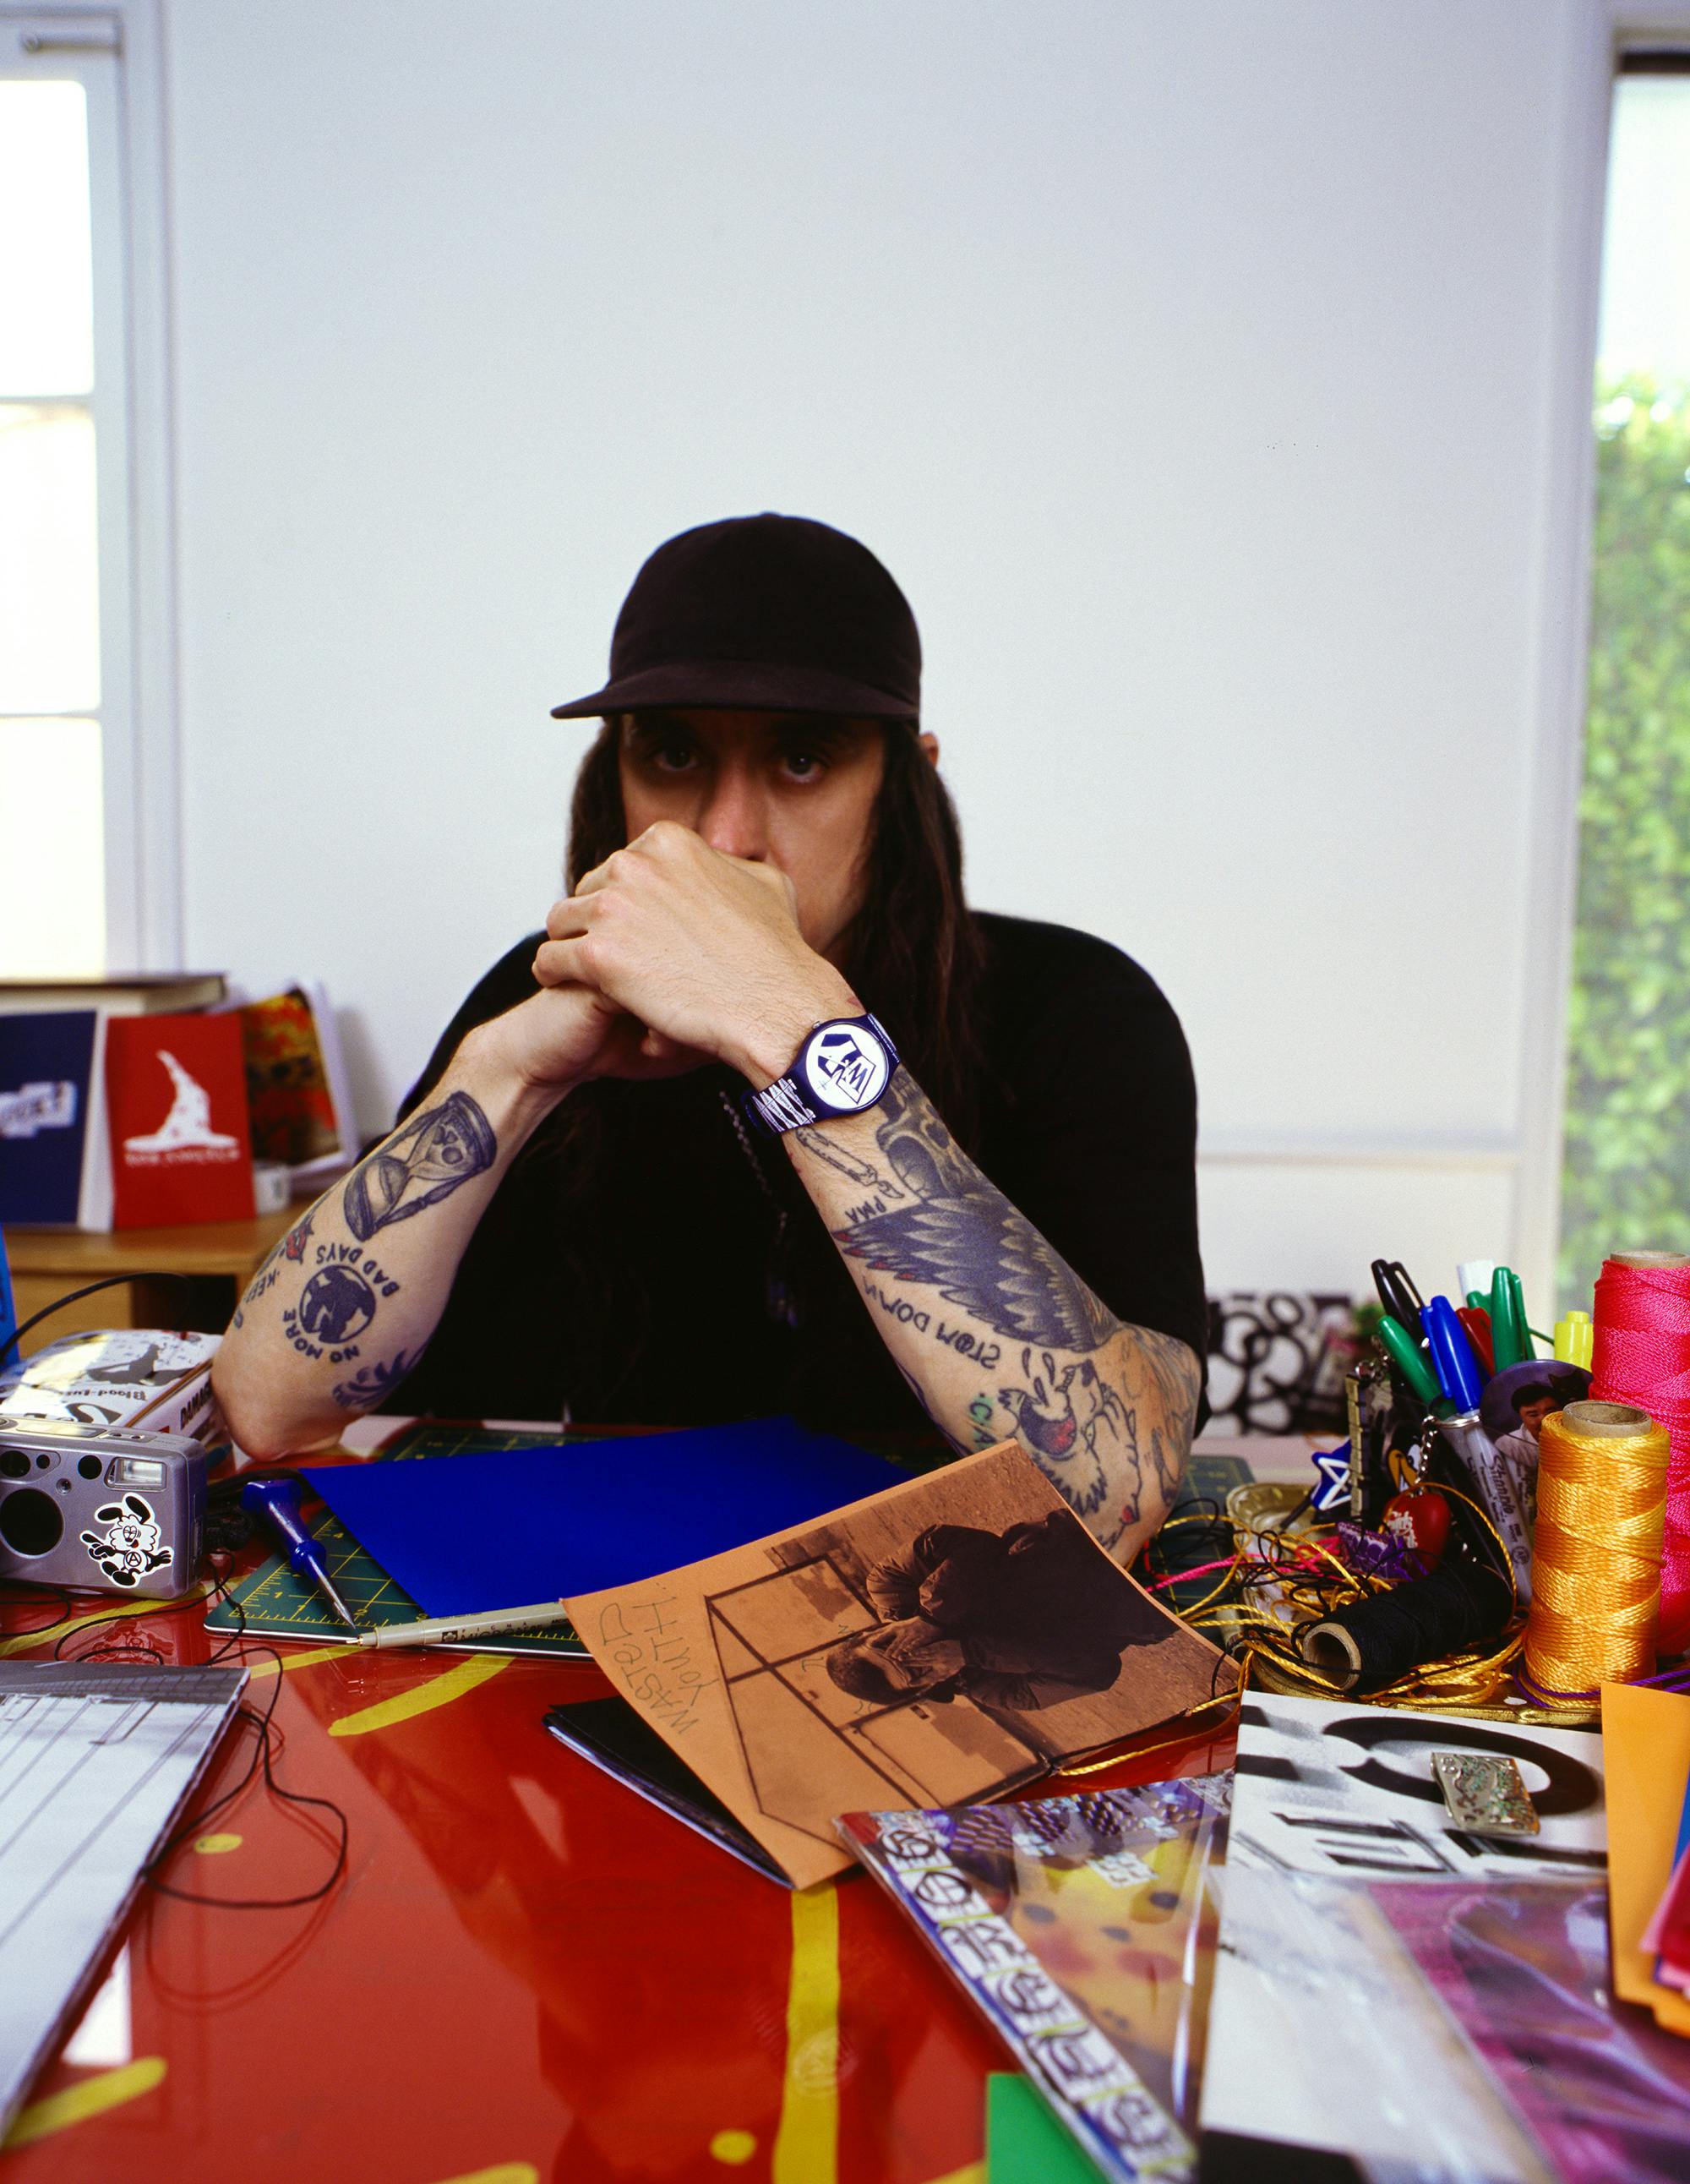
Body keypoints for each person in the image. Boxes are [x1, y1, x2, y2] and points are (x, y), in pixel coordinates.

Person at [213, 514, 1206, 1564]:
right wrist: (504, 1071)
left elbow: (1118, 1487)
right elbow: (269, 1411)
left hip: (952, 1608)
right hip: (592, 1600)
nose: (724, 834)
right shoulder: (540, 997)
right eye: (674, 751)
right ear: (614, 775)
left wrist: (795, 1024)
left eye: (803, 759)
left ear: (905, 782)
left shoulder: (1079, 1007)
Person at [824, 1510, 1158, 1711]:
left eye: (887, 1646)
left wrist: (931, 1617)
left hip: (1082, 1534)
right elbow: (1098, 1671)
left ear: (871, 1631)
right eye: (914, 1671)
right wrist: (974, 1652)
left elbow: (976, 1544)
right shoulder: (999, 1692)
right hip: (1143, 1603)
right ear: (926, 1688)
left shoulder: (891, 1585)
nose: (913, 1651)